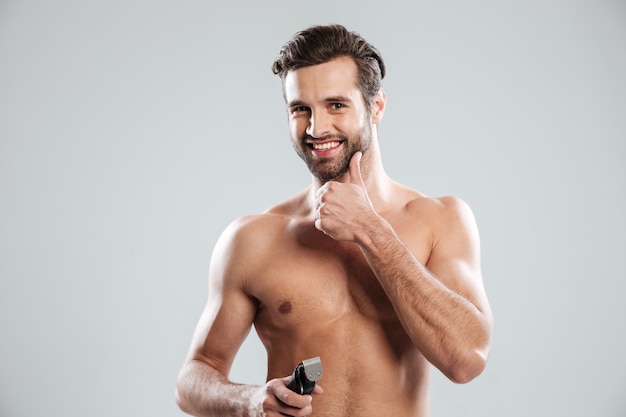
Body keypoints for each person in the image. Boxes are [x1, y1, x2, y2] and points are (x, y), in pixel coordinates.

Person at [175, 24, 493, 417]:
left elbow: (466, 359)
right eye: (300, 109)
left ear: (376, 107)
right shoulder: (253, 238)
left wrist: (371, 230)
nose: (316, 127)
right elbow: (194, 377)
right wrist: (249, 401)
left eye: (336, 105)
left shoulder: (440, 221)